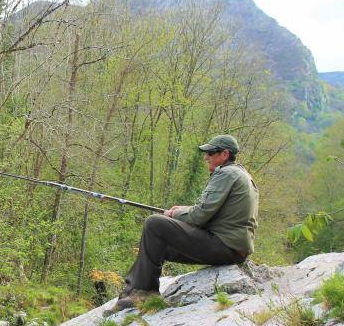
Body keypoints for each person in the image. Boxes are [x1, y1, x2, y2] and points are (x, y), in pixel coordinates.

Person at [106, 134, 259, 315]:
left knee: (154, 223)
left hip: (224, 246)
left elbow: (200, 216)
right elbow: (212, 211)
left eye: (211, 153)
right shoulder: (240, 174)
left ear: (225, 154)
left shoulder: (225, 173)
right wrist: (182, 210)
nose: (206, 157)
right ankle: (135, 292)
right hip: (233, 248)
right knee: (156, 246)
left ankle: (143, 292)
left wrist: (174, 214)